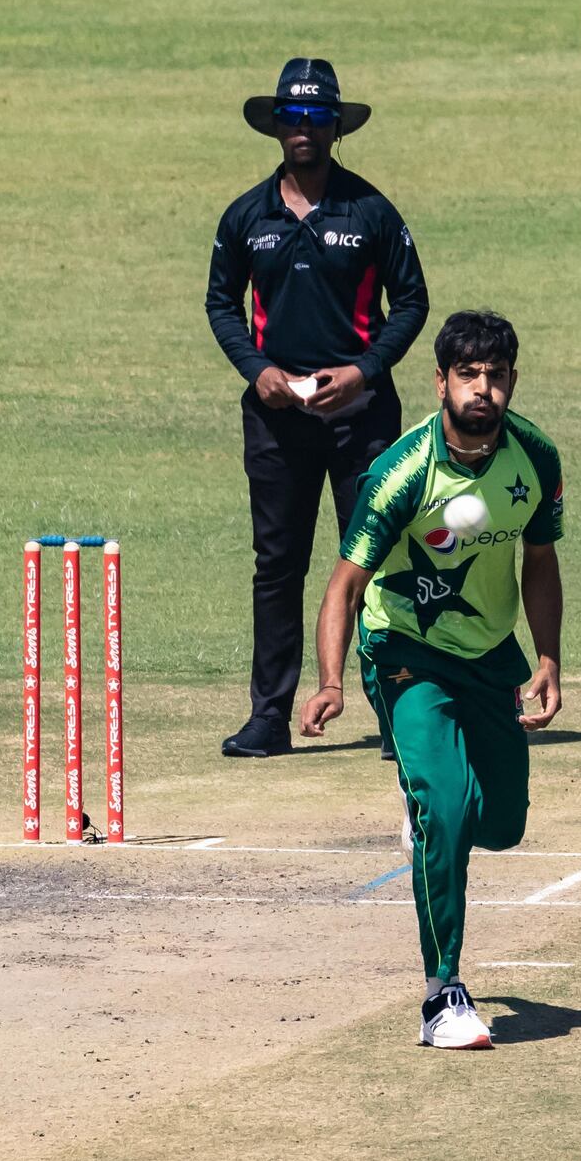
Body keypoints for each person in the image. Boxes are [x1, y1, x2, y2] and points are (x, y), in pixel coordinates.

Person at [300, 310, 564, 1049]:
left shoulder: (535, 458)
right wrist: (329, 681)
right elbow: (345, 585)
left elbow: (539, 561)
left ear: (513, 379)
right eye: (469, 375)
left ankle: (433, 817)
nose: (484, 389)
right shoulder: (401, 472)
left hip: (489, 656)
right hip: (405, 651)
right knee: (445, 808)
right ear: (441, 380)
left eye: (497, 375)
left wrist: (548, 658)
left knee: (502, 823)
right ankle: (442, 994)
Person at [206, 57, 429, 758]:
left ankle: (397, 714)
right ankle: (269, 718)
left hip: (361, 418)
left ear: (337, 126)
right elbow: (221, 303)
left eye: (317, 117)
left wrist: (363, 371)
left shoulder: (371, 212)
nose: (304, 129)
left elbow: (413, 302)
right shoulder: (247, 215)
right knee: (277, 564)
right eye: (293, 117)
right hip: (276, 419)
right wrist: (259, 370)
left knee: (378, 560)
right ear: (276, 126)